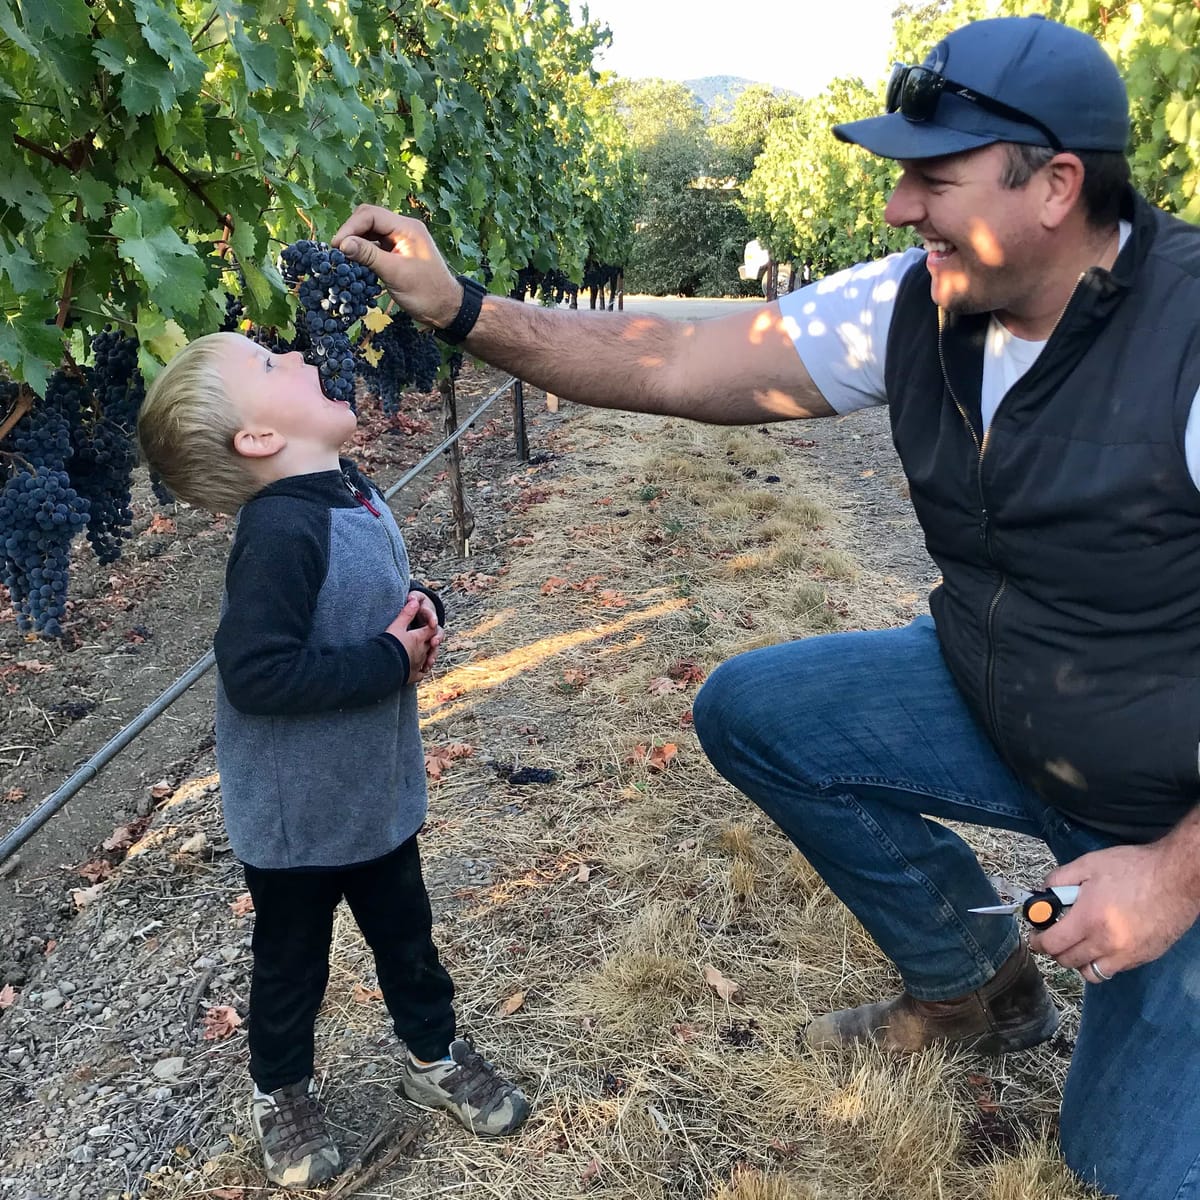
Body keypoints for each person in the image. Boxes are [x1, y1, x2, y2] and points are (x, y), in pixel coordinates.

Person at [333, 15, 1200, 1196]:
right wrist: (462, 310)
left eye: (931, 180)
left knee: (1125, 1167)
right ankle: (976, 982)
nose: (899, 208)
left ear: (1053, 185)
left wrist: (1169, 878)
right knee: (757, 710)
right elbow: (679, 361)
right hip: (1013, 704)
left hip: (1175, 802)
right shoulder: (916, 302)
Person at [137, 332, 530, 1189]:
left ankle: (430, 1056)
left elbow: (372, 593)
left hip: (373, 786)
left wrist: (419, 604)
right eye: (270, 368)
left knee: (407, 937)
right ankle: (281, 1092)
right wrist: (392, 659)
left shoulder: (349, 491)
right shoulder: (280, 529)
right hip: (297, 813)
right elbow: (256, 673)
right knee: (292, 963)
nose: (296, 356)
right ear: (260, 440)